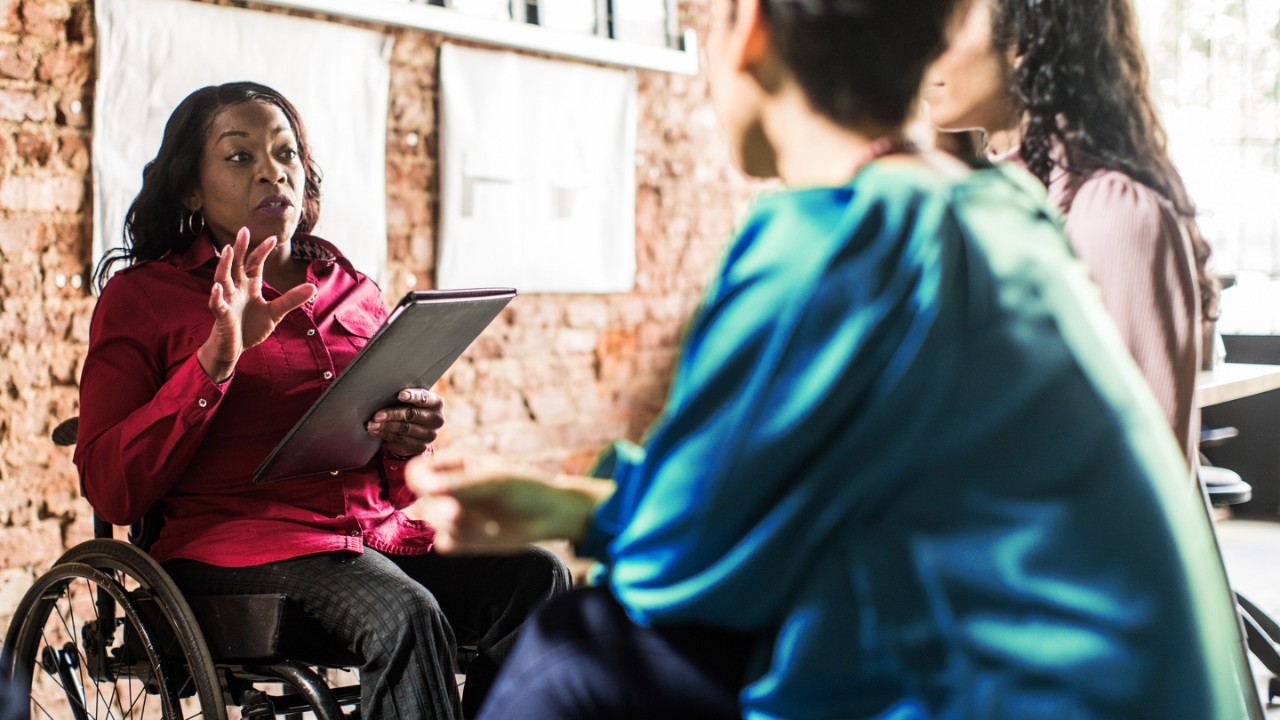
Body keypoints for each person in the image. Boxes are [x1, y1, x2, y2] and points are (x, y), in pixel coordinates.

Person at [406, 0, 1258, 717]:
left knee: (581, 655)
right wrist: (576, 508)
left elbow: (678, 567)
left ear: (747, 27)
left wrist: (589, 515)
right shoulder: (1002, 211)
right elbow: (750, 504)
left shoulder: (840, 239)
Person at [75, 81, 570, 720]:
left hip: (369, 535)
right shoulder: (144, 299)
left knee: (538, 578)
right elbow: (112, 491)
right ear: (192, 189)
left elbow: (389, 471)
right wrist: (215, 360)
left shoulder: (351, 288)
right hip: (235, 547)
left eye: (285, 154)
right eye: (239, 156)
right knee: (404, 612)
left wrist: (405, 435)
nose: (270, 172)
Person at [923, 0, 1212, 465]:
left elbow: (1147, 473)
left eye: (953, 17)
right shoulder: (996, 200)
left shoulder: (1116, 215)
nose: (926, 44)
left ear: (1026, 37)